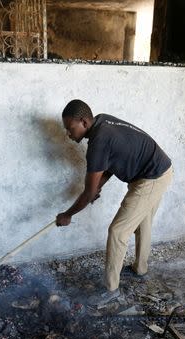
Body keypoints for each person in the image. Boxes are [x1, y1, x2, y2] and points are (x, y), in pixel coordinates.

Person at [56, 100, 173, 307]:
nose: (68, 133)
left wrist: (68, 214)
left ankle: (111, 290)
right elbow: (109, 164)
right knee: (142, 222)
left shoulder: (98, 142)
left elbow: (89, 190)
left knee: (118, 231)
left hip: (151, 177)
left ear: (83, 122)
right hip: (160, 169)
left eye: (69, 128)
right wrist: (95, 190)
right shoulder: (102, 122)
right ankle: (140, 269)